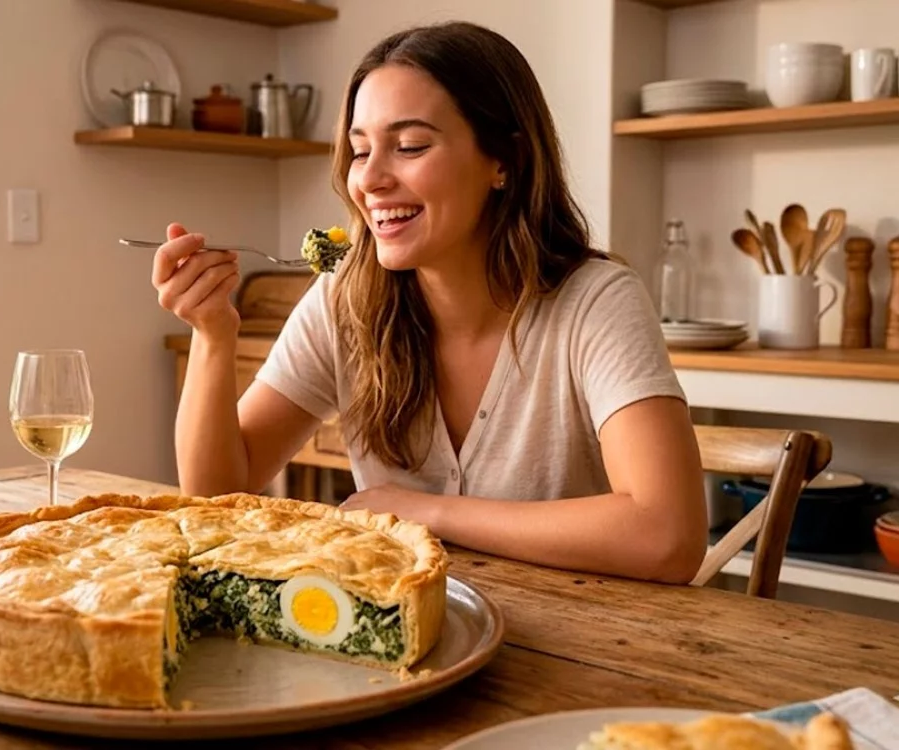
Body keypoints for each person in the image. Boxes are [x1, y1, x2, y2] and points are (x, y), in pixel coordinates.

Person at [150, 21, 707, 584]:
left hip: (583, 628)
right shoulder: (344, 297)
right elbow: (218, 495)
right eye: (360, 151)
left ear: (504, 161)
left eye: (410, 146)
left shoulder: (596, 302)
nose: (369, 179)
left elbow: (668, 536)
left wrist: (425, 512)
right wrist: (212, 334)